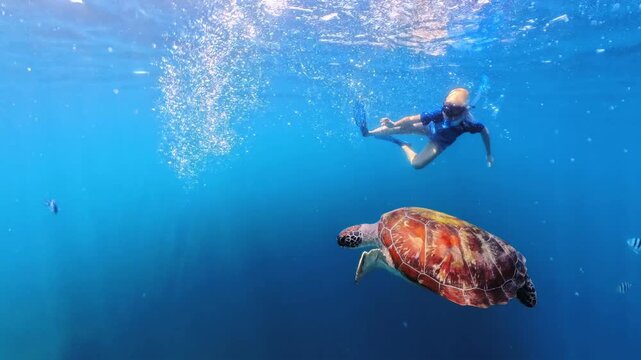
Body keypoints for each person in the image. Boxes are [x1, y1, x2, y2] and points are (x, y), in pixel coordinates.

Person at [355, 88, 493, 169]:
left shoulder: (469, 124)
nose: (449, 117)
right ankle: (369, 133)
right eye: (447, 111)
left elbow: (485, 132)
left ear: (464, 111)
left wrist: (488, 154)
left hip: (439, 142)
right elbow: (410, 119)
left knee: (417, 164)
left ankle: (403, 144)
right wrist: (394, 123)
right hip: (428, 128)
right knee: (400, 128)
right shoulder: (439, 112)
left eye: (454, 114)